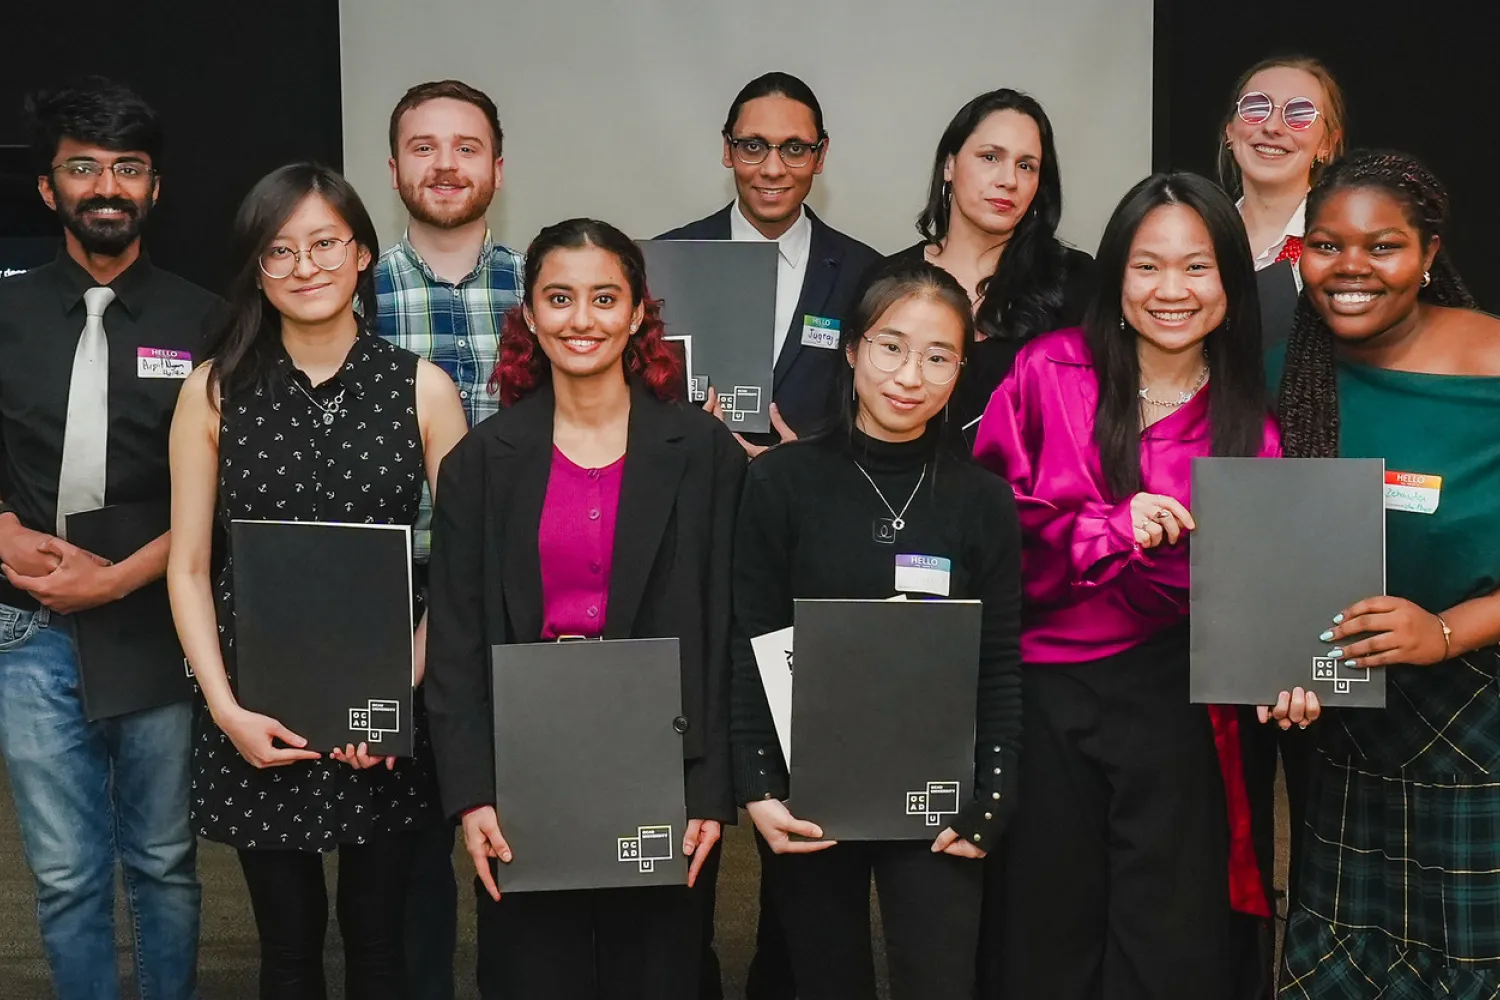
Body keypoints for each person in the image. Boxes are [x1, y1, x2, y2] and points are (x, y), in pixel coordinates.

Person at [974, 172, 1308, 1000]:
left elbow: (1261, 593)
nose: (1171, 290)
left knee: (1167, 929)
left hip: (1178, 698)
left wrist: (1293, 668)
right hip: (1043, 691)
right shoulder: (1047, 370)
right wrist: (1109, 529)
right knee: (1048, 919)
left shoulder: (1253, 426)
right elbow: (984, 532)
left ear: (1230, 283)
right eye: (1147, 266)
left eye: (1197, 267)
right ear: (1116, 276)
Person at [166, 162, 469, 999]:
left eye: (326, 244)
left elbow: (464, 569)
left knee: (379, 945)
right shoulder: (213, 391)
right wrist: (225, 709)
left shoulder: (424, 389)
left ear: (363, 252)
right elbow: (189, 566)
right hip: (254, 706)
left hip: (388, 706)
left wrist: (400, 691)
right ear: (257, 268)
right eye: (280, 250)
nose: (305, 266)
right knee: (289, 951)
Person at [425, 218, 745, 999]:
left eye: (605, 298)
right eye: (559, 298)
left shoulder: (704, 453)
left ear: (637, 314)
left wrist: (711, 789)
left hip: (666, 767)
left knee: (660, 976)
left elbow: (728, 630)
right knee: (534, 975)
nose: (582, 319)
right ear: (530, 317)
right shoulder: (480, 464)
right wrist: (472, 793)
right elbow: (456, 643)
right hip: (528, 768)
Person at [731, 261, 1022, 999]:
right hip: (809, 788)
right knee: (823, 978)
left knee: (939, 978)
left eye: (938, 356)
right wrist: (758, 786)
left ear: (961, 371)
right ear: (853, 349)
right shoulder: (781, 481)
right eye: (891, 347)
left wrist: (992, 797)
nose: (910, 376)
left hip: (940, 790)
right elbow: (750, 642)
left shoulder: (984, 501)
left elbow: (998, 664)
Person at [0, 78, 215, 1000]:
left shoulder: (207, 320)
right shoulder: (4, 315)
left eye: (128, 168)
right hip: (27, 628)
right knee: (63, 872)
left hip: (157, 624)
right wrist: (1, 533)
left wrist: (121, 577)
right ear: (47, 188)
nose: (106, 187)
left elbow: (226, 493)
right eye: (82, 167)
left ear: (154, 187)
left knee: (164, 860)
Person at [1271, 150, 1500, 998]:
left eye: (1384, 245)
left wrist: (1442, 632)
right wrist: (1273, 662)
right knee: (1348, 965)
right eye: (1327, 245)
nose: (1352, 268)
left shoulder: (1494, 364)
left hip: (1478, 720)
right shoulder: (1287, 372)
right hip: (1349, 725)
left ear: (1429, 252)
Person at [374, 77, 524, 1000]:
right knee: (407, 848)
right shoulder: (351, 289)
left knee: (528, 825)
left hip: (529, 594)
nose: (445, 164)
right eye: (423, 146)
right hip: (400, 591)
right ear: (393, 168)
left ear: (498, 169)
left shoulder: (547, 287)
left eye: (466, 147)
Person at [659, 72, 882, 457]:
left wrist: (807, 463)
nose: (773, 169)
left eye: (795, 149)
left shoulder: (865, 273)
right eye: (753, 146)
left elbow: (874, 407)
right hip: (691, 479)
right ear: (728, 150)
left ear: (820, 155)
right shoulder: (667, 259)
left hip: (814, 487)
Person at [877, 88, 1096, 442]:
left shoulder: (1074, 280)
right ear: (949, 165)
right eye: (990, 157)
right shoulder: (889, 279)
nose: (1008, 180)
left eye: (1026, 166)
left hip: (1035, 479)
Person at [1219, 56, 1346, 348]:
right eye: (1255, 108)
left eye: (1299, 113)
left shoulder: (1346, 247)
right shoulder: (1199, 239)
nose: (1273, 127)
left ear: (1327, 144)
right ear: (1230, 131)